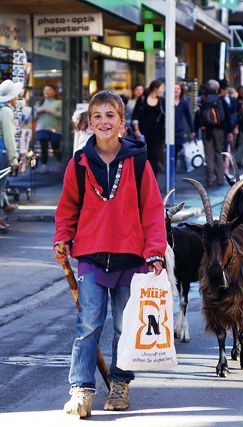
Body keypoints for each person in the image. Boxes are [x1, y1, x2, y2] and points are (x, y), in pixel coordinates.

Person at [53, 90, 166, 418]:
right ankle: (81, 389)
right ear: (89, 123)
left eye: (110, 116)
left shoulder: (139, 161)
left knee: (123, 326)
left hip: (130, 258)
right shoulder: (79, 163)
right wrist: (62, 238)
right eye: (97, 116)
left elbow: (153, 211)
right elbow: (67, 208)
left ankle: (119, 383)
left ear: (122, 123)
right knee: (88, 323)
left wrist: (155, 252)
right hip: (89, 255)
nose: (103, 122)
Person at [195, 79, 229, 186]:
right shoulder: (221, 100)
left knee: (209, 154)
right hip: (219, 130)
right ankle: (220, 179)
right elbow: (226, 116)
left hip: (207, 131)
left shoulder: (203, 100)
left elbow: (198, 116)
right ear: (217, 89)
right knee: (219, 153)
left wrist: (197, 129)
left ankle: (210, 179)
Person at [0, 80, 22, 233]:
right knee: (0, 186)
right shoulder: (6, 111)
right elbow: (8, 137)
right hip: (1, 151)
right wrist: (13, 159)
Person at [131, 79, 165, 176]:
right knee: (144, 157)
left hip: (157, 135)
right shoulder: (142, 99)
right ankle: (144, 180)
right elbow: (135, 116)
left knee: (154, 157)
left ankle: (153, 181)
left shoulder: (162, 101)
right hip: (143, 134)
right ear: (155, 88)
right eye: (161, 88)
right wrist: (137, 130)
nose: (162, 90)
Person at [35, 84, 62, 172]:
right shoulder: (39, 103)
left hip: (54, 129)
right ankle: (44, 166)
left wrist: (51, 111)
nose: (47, 91)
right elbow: (34, 116)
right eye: (45, 90)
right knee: (43, 148)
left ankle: (60, 164)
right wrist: (38, 112)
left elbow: (62, 115)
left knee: (56, 148)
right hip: (41, 128)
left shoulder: (58, 102)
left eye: (49, 90)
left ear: (54, 92)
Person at [174, 83, 195, 168]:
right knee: (172, 151)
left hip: (179, 129)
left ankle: (182, 164)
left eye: (178, 88)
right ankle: (172, 168)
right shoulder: (167, 102)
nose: (176, 90)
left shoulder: (184, 102)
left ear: (181, 90)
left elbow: (188, 117)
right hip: (168, 131)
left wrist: (192, 130)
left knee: (179, 147)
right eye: (174, 88)